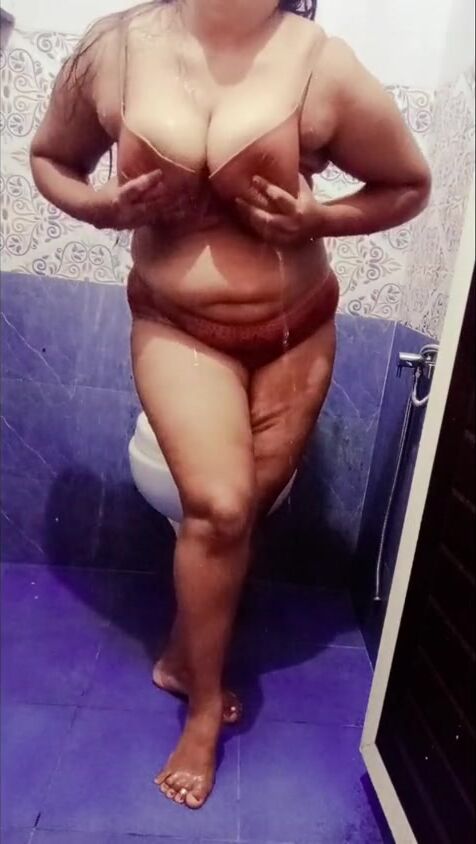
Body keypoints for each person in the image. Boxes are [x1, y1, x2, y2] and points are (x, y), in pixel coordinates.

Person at [30, 0, 431, 810]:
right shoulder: (117, 48)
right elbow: (50, 159)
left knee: (240, 514)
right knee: (218, 505)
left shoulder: (321, 62)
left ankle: (186, 657)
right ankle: (206, 711)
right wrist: (100, 207)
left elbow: (409, 185)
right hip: (177, 324)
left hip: (296, 331)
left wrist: (320, 217)